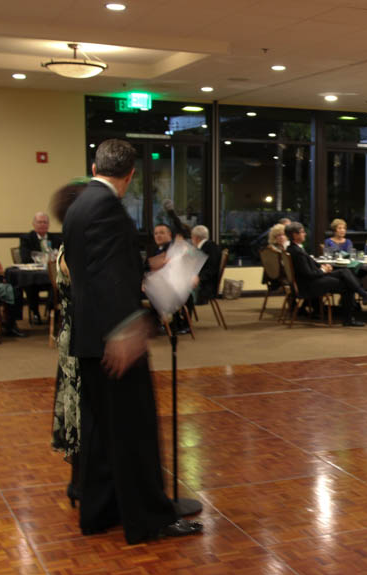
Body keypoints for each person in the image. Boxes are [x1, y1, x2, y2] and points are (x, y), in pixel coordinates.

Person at [63, 139, 202, 543]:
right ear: (131, 175)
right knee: (134, 432)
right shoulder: (108, 208)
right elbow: (108, 279)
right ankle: (150, 520)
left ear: (94, 165)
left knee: (104, 433)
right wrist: (126, 327)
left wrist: (148, 264)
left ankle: (102, 511)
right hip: (114, 339)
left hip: (89, 335)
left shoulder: (80, 204)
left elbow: (96, 264)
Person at [48, 181, 87, 508]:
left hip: (75, 334)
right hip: (77, 338)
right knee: (80, 408)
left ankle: (84, 478)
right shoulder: (73, 248)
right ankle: (81, 481)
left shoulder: (74, 244)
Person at [285, 221, 367, 326]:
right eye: (302, 232)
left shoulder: (293, 248)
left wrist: (323, 267)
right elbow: (308, 274)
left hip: (311, 280)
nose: (305, 234)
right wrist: (323, 271)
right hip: (309, 285)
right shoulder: (297, 252)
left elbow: (310, 266)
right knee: (348, 285)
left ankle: (364, 295)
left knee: (344, 271)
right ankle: (349, 319)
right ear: (295, 235)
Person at [20, 212, 61, 324]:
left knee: (57, 285)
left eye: (45, 222)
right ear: (34, 224)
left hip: (51, 275)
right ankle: (35, 313)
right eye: (39, 222)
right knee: (29, 285)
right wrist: (41, 257)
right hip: (35, 276)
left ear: (48, 225)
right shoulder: (27, 238)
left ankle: (52, 313)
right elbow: (25, 258)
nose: (42, 224)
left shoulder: (56, 239)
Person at [190, 225, 222, 303]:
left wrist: (199, 277)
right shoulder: (207, 246)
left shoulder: (210, 247)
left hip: (205, 287)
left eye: (192, 238)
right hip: (204, 283)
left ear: (196, 237)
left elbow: (211, 269)